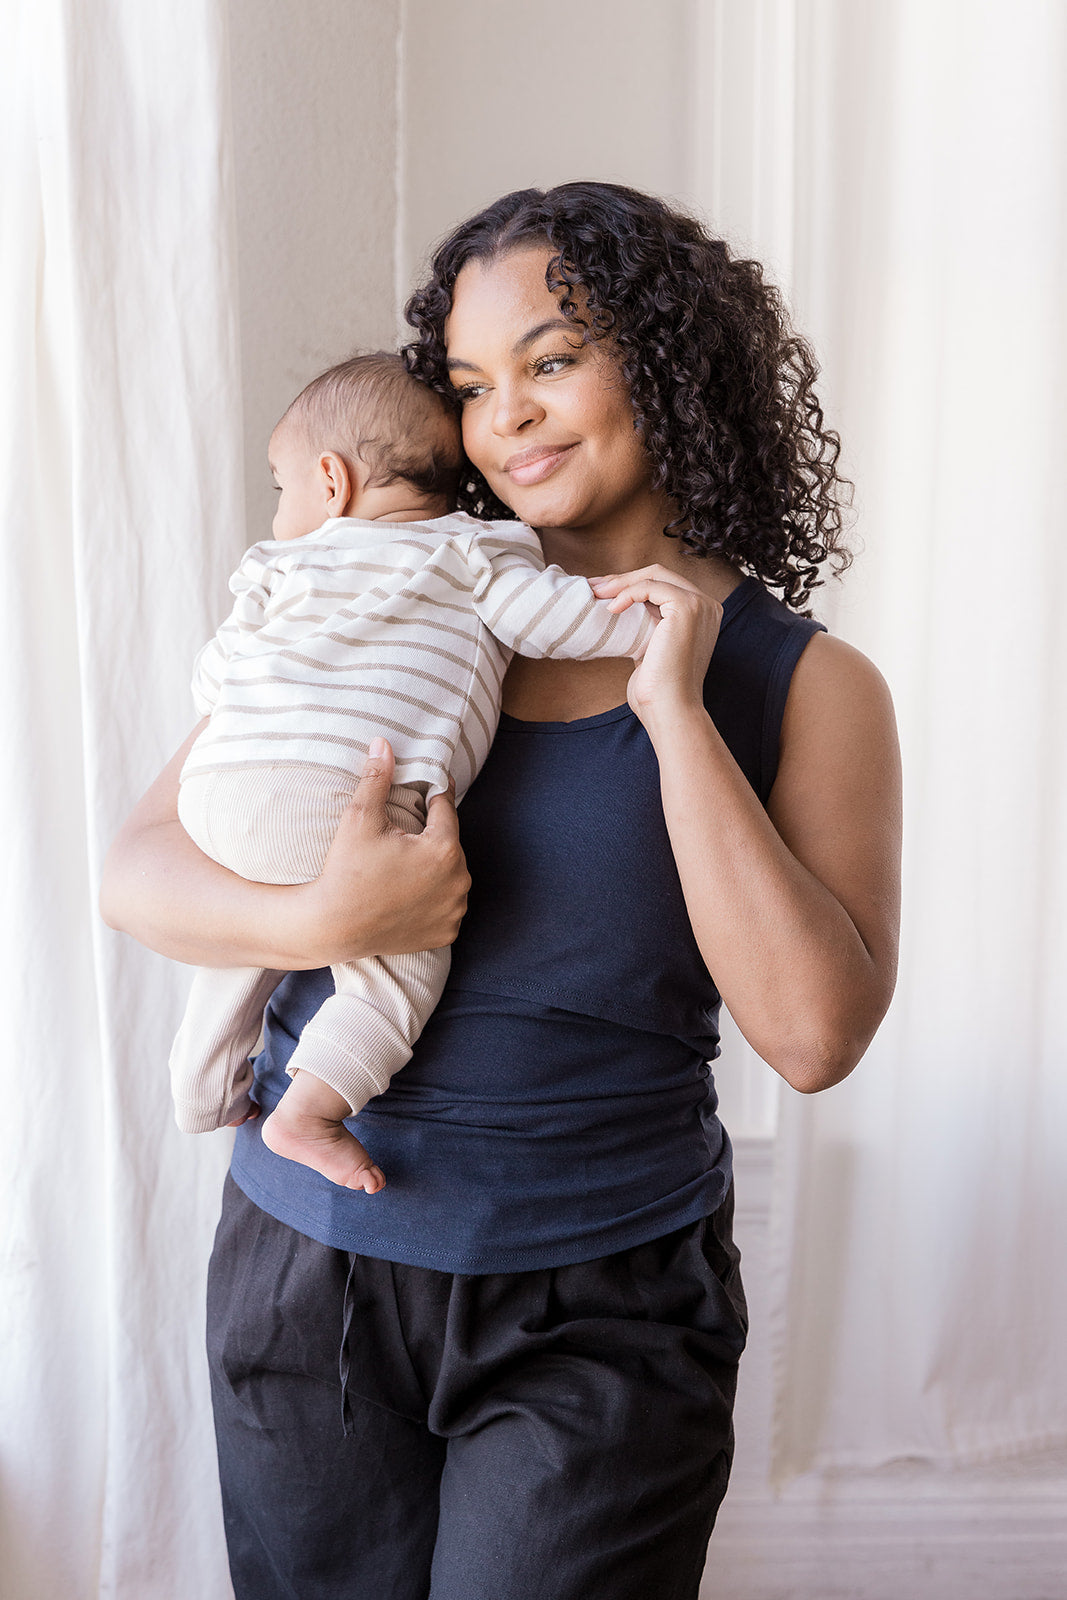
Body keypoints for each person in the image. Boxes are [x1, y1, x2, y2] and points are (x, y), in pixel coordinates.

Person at [100, 181, 902, 1600]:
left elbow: (812, 1037)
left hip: (600, 1305)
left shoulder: (802, 684)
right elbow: (140, 871)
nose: (507, 415)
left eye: (550, 360)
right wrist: (328, 927)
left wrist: (673, 712)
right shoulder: (395, 598)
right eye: (473, 385)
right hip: (308, 1269)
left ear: (663, 359)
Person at [169, 351, 652, 1192]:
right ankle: (310, 1110)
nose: (280, 507)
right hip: (342, 801)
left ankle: (202, 1085)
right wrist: (646, 623)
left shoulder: (275, 567)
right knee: (400, 956)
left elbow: (214, 677)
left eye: (280, 488)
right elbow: (547, 622)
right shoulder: (473, 548)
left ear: (331, 480)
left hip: (219, 787)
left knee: (245, 935)